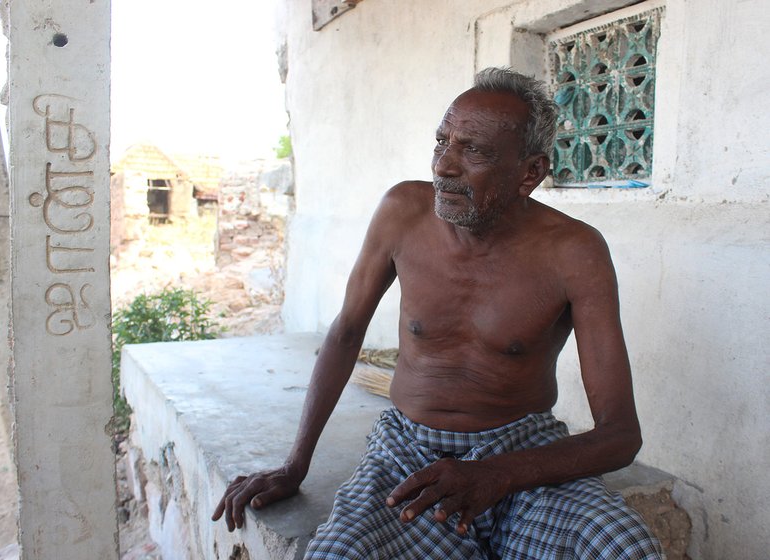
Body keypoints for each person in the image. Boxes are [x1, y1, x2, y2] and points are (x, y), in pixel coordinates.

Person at [212, 67, 663, 559]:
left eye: (474, 151)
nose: (444, 166)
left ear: (529, 173)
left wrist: (494, 475)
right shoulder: (403, 211)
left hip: (522, 448)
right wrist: (295, 464)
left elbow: (620, 436)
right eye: (441, 142)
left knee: (626, 548)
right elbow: (345, 335)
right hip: (408, 452)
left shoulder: (574, 251)